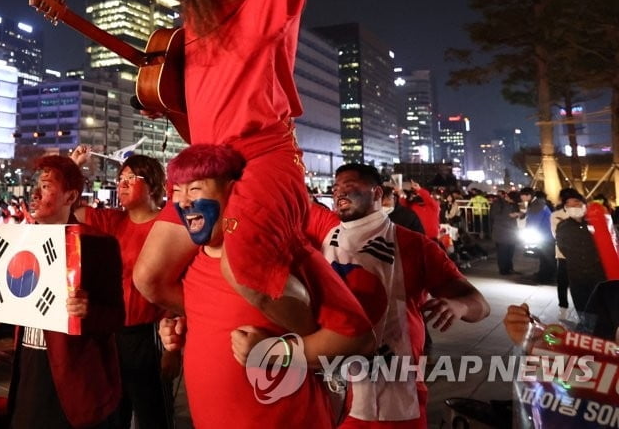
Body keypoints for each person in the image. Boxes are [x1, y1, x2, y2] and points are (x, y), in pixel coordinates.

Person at [135, 0, 431, 315]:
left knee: (247, 272)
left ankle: (324, 339)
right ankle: (214, 321)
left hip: (262, 158)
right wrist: (168, 102)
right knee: (149, 277)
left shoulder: (267, 1)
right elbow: (203, 102)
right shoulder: (194, 22)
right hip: (207, 169)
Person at [158, 144, 374, 429]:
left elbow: (360, 340)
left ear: (233, 191)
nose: (184, 201)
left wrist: (276, 353)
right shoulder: (190, 266)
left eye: (195, 189)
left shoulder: (291, 254)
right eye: (177, 191)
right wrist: (176, 335)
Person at [313, 163, 490, 428]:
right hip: (332, 387)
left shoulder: (413, 245)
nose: (339, 194)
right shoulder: (325, 227)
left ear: (377, 194)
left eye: (349, 187)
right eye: (336, 188)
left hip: (391, 397)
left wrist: (459, 307)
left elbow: (480, 305)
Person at [5, 154, 125, 429]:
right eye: (34, 184)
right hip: (28, 377)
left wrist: (88, 311)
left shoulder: (97, 245)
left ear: (70, 197)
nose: (34, 192)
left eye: (46, 186)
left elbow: (116, 316)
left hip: (74, 387)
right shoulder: (18, 241)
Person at [70, 147, 177, 429]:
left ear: (153, 184)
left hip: (149, 336)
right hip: (110, 334)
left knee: (154, 415)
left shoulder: (169, 226)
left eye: (132, 178)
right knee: (113, 414)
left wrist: (174, 350)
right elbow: (67, 209)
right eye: (120, 179)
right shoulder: (111, 221)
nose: (122, 184)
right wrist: (74, 167)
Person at [552, 188, 605, 316]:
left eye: (576, 203)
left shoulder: (597, 223)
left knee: (602, 309)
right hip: (577, 275)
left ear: (584, 204)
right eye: (569, 205)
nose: (573, 206)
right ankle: (586, 331)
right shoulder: (563, 226)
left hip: (598, 274)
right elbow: (563, 247)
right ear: (565, 207)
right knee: (583, 310)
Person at [489, 190, 521, 275]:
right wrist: (508, 216)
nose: (513, 202)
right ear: (507, 197)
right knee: (503, 252)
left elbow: (517, 214)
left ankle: (509, 268)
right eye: (512, 200)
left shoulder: (514, 204)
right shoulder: (498, 204)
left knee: (510, 251)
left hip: (511, 231)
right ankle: (503, 270)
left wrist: (520, 214)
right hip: (501, 232)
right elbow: (494, 216)